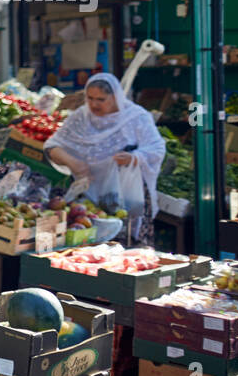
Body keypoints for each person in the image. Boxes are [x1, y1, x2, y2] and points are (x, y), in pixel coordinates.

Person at [44, 72, 166, 246]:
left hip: (127, 197)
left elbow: (157, 148)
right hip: (88, 197)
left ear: (115, 97)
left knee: (129, 248)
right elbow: (52, 146)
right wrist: (72, 162)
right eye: (90, 98)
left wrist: (134, 157)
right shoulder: (80, 117)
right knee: (89, 246)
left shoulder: (136, 117)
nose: (94, 104)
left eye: (101, 99)